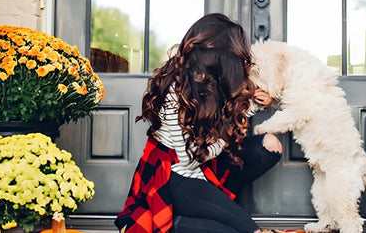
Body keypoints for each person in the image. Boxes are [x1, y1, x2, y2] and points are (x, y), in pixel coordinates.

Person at [115, 13, 282, 233]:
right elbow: (189, 161)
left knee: (269, 148)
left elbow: (229, 121)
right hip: (174, 175)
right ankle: (174, 223)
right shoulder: (174, 92)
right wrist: (225, 136)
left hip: (202, 168)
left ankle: (194, 217)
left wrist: (258, 104)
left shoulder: (212, 81)